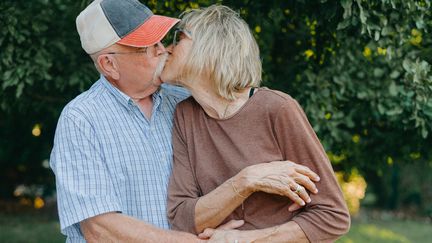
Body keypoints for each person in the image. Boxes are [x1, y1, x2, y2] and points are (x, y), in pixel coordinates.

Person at [50, 0, 319, 242]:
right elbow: (100, 229)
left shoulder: (187, 102)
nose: (163, 50)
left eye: (161, 39)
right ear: (109, 65)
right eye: (148, 46)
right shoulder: (81, 119)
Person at [163, 5, 351, 243]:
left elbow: (332, 216)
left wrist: (240, 240)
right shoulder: (185, 115)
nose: (167, 49)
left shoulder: (277, 109)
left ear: (210, 49)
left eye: (179, 39)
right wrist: (247, 180)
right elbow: (181, 218)